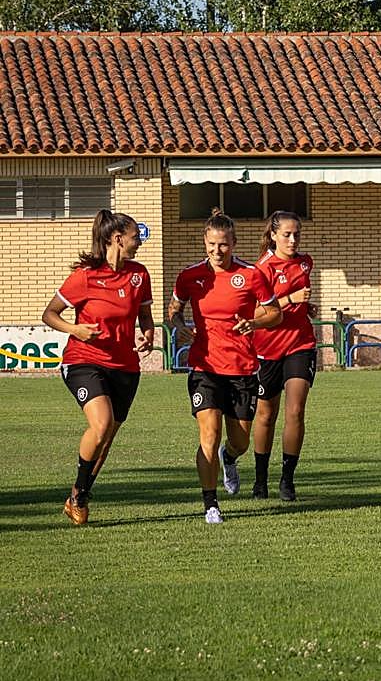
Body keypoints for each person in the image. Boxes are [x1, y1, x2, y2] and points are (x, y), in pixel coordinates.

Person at [169, 211, 282, 524]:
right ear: (204, 242)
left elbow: (276, 314)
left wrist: (254, 322)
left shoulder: (251, 275)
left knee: (240, 441)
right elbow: (174, 309)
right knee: (209, 433)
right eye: (211, 244)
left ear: (234, 243)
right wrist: (179, 325)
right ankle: (210, 504)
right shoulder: (189, 276)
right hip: (204, 367)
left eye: (223, 245)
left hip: (242, 369)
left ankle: (229, 458)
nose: (217, 251)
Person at [42, 210, 154, 525]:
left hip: (126, 367)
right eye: (136, 236)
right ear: (117, 238)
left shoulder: (139, 275)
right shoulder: (84, 276)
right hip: (83, 361)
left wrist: (147, 335)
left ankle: (78, 494)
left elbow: (144, 316)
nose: (139, 242)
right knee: (101, 424)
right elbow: (49, 313)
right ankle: (79, 495)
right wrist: (74, 330)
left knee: (106, 438)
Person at [251, 211, 316, 501]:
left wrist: (306, 308)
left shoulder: (305, 262)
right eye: (287, 234)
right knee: (266, 415)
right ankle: (260, 480)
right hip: (267, 348)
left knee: (295, 411)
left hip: (300, 344)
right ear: (273, 235)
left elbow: (299, 300)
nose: (293, 239)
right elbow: (252, 313)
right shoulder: (261, 269)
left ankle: (287, 481)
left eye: (297, 234)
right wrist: (290, 300)